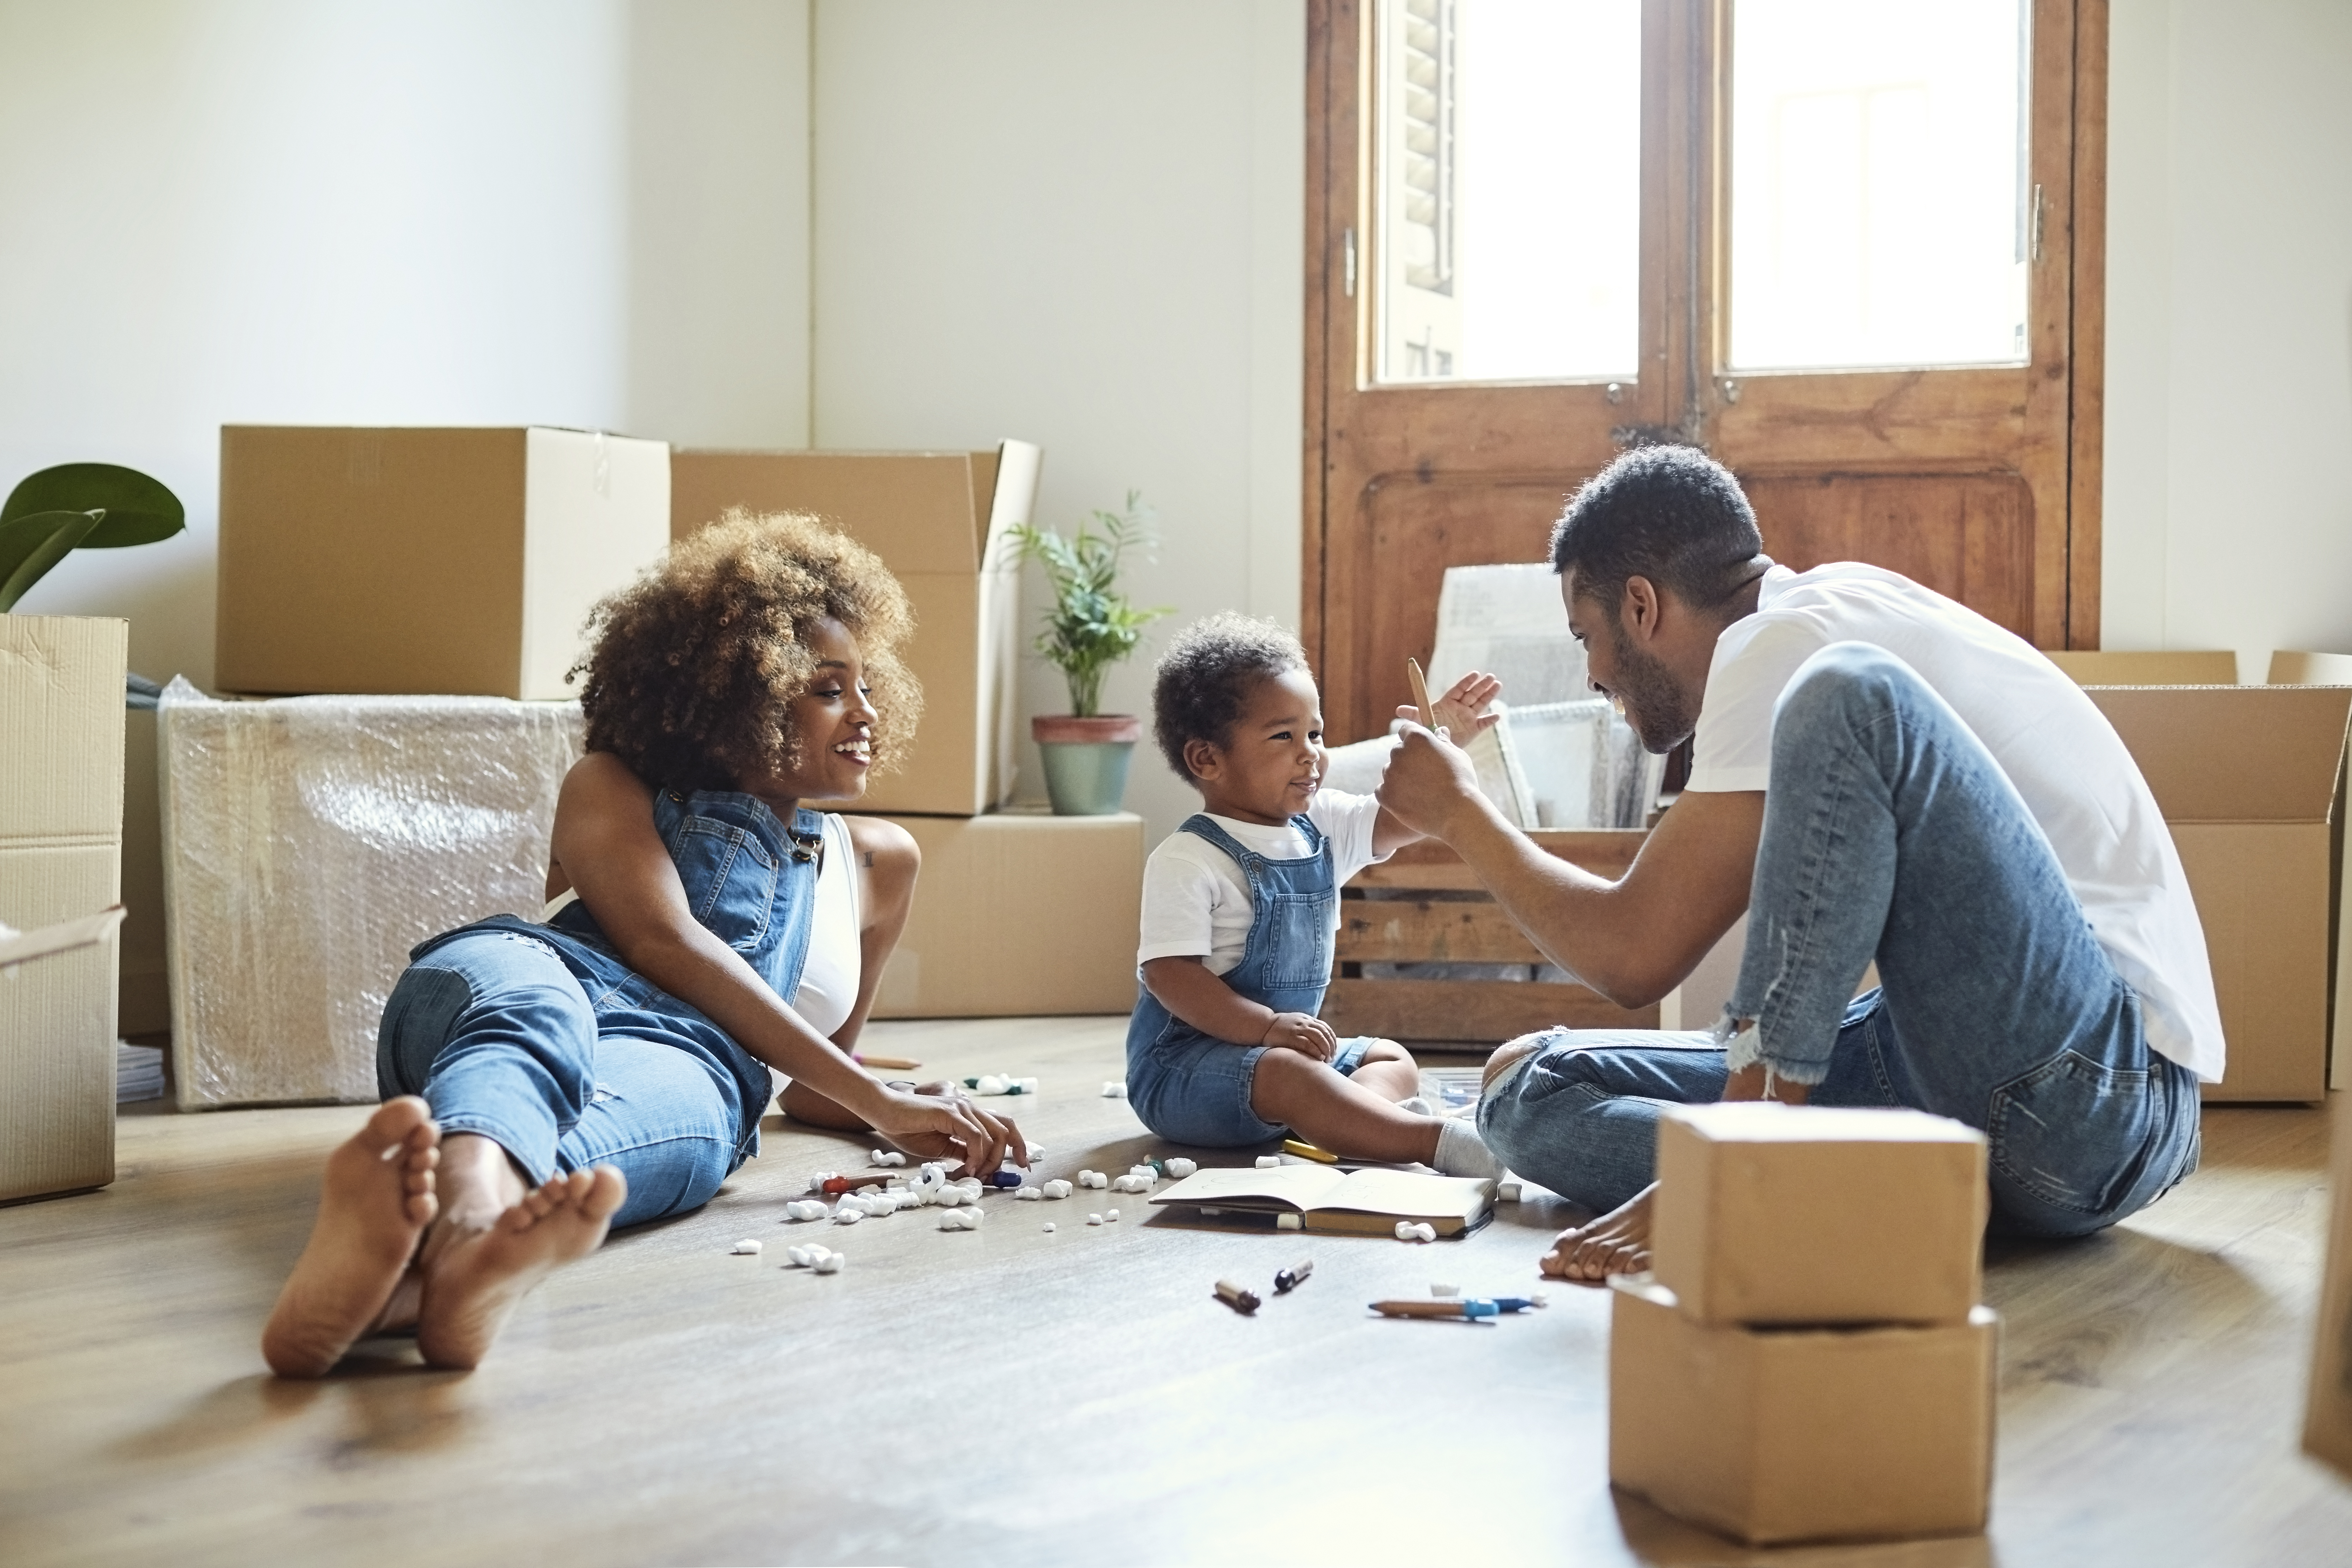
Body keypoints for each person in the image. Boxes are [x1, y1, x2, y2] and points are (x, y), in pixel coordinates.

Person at [1375, 445, 2215, 1281]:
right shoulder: (1800, 619)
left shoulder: (1789, 643)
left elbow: (1632, 956)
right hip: (1967, 1081)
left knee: (1847, 691)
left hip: (2096, 1092)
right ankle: (1868, 1194)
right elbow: (1637, 947)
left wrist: (1459, 813)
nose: (1593, 673)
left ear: (1641, 607)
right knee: (1529, 1088)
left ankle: (1748, 1157)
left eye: (1585, 637)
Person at [262, 510, 1026, 1378]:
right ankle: (471, 1212)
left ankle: (412, 1282)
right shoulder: (612, 782)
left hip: (696, 1065)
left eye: (865, 684)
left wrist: (914, 1110)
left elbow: (817, 1085)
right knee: (535, 1017)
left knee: (695, 1128)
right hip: (532, 973)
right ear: (737, 695)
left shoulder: (883, 863)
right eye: (827, 687)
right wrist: (881, 1102)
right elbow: (662, 940)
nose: (866, 712)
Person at [1126, 612, 1504, 1175]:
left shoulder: (1319, 825)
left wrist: (1438, 753)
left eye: (1316, 734)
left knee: (1390, 1059)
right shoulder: (1188, 859)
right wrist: (1265, 1029)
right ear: (1208, 759)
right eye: (1284, 736)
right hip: (1186, 1068)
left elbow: (1399, 821)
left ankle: (1347, 1126)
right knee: (1290, 1076)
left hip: (1287, 1054)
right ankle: (1426, 1141)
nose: (1312, 754)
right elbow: (1171, 977)